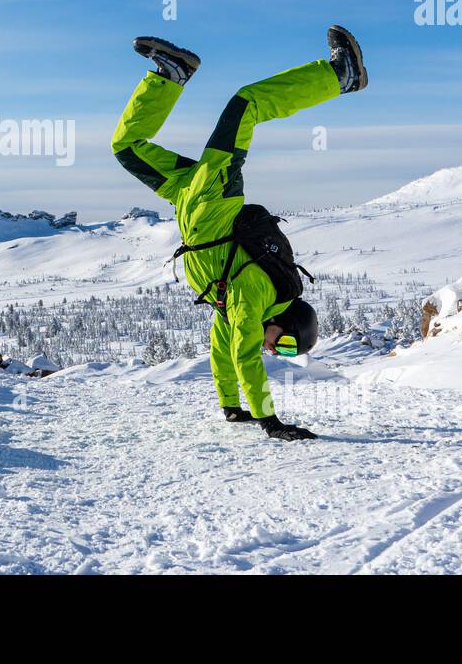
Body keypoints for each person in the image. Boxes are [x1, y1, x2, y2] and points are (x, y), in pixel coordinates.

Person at [111, 27, 367, 441]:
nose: (274, 351)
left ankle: (170, 75)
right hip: (213, 199)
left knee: (127, 147)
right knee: (244, 104)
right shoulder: (257, 295)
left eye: (281, 353)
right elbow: (245, 355)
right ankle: (341, 75)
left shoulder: (242, 306)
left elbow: (222, 348)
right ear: (286, 323)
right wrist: (270, 421)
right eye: (284, 345)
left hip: (187, 198)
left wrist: (231, 407)